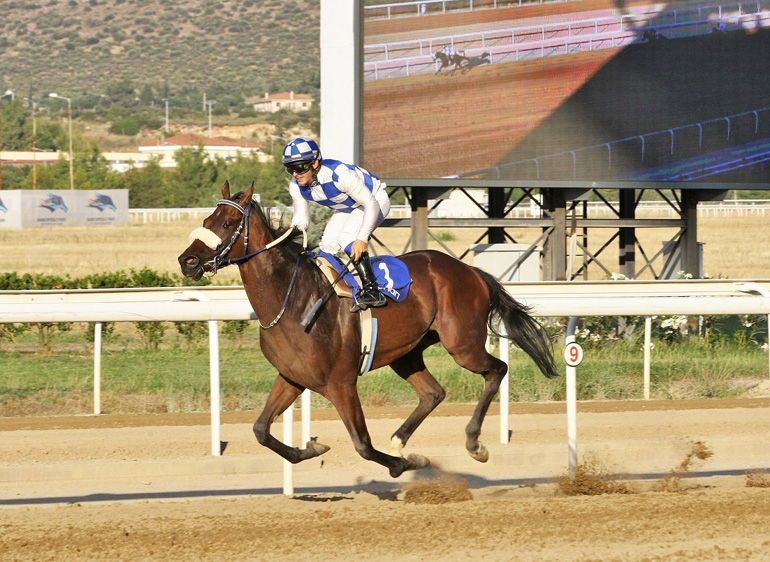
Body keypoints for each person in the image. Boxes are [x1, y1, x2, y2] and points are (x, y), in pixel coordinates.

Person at [283, 137, 390, 312]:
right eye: (290, 169)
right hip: (347, 207)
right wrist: (286, 241)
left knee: (347, 237)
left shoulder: (340, 174)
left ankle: (372, 290)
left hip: (374, 200)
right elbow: (301, 220)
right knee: (327, 245)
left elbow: (370, 204)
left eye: (300, 167)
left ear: (315, 163)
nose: (295, 174)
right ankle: (347, 285)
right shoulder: (296, 186)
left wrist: (362, 238)